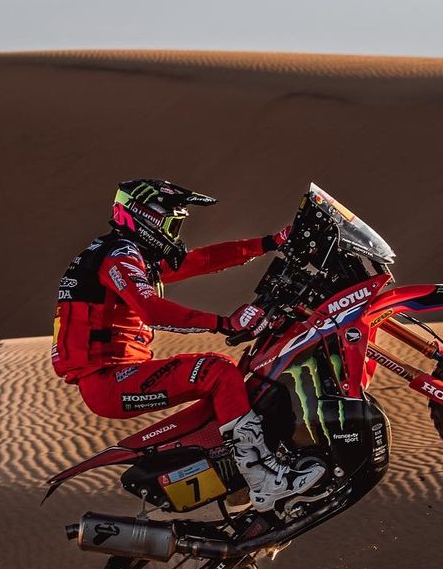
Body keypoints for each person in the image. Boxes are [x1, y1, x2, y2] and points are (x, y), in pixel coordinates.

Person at [51, 178, 325, 511]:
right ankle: (264, 477)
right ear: (146, 216)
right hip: (110, 380)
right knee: (218, 372)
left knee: (235, 378)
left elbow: (200, 260)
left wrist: (269, 243)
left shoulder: (123, 252)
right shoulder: (118, 255)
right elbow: (150, 309)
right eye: (172, 222)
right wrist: (223, 323)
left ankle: (237, 476)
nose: (174, 232)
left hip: (116, 374)